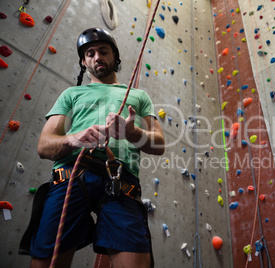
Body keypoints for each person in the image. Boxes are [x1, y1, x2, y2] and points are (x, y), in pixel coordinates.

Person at [19, 27, 165, 268]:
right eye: (90, 53)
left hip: (121, 183)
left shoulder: (138, 96)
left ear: (114, 57)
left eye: (103, 51)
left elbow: (159, 144)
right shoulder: (71, 94)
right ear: (83, 62)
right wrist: (73, 139)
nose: (97, 57)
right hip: (70, 178)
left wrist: (132, 132)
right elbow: (44, 146)